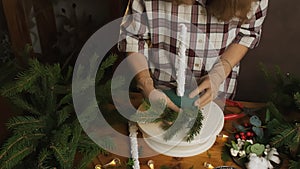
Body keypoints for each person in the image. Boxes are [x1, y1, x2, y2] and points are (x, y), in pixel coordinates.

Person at [118, 0, 268, 112]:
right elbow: (133, 37)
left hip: (217, 96)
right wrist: (146, 85)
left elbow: (247, 34)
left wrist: (220, 71)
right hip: (160, 91)